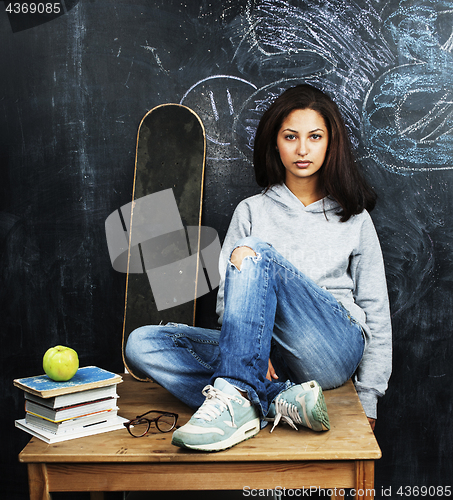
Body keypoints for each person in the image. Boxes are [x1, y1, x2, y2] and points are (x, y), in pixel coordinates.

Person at [125, 84, 392, 452]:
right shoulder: (252, 210)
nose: (302, 149)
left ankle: (235, 397)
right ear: (275, 143)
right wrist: (255, 348)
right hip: (271, 358)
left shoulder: (355, 218)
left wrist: (370, 395)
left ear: (331, 143)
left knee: (253, 252)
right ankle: (279, 399)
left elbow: (376, 308)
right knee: (142, 344)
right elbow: (228, 304)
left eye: (314, 137)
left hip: (332, 348)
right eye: (290, 137)